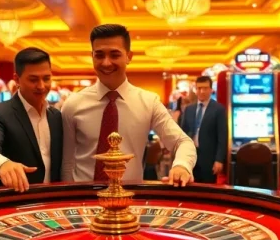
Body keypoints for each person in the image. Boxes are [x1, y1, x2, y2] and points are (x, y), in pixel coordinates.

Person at [61, 24, 196, 185]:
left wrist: (182, 166)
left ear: (129, 56)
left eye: (114, 55)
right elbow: (67, 163)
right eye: (99, 55)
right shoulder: (73, 104)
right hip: (83, 201)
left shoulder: (148, 101)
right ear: (92, 57)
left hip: (130, 199)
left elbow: (183, 142)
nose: (106, 63)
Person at [0, 47, 63, 192]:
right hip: (16, 202)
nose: (41, 86)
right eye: (33, 79)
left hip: (52, 202)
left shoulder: (56, 116)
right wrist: (3, 164)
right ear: (17, 79)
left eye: (46, 78)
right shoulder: (0, 113)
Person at [180, 75, 227, 183]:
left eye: (205, 88)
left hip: (209, 158)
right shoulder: (189, 109)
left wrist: (219, 160)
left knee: (207, 191)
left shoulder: (218, 109)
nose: (202, 91)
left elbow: (222, 137)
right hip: (190, 157)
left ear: (211, 90)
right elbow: (183, 133)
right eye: (199, 88)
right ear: (195, 90)